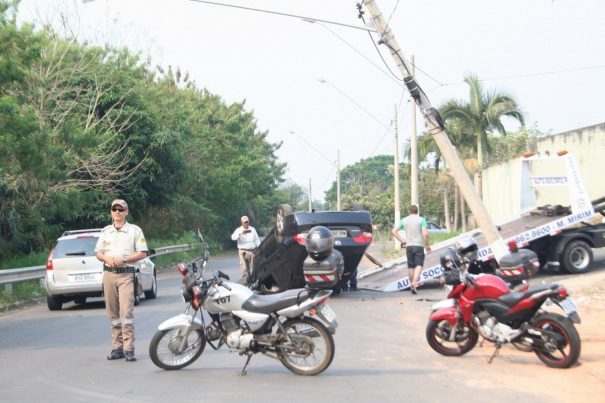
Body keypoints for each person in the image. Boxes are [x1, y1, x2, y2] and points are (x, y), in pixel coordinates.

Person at [95, 199, 148, 362]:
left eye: (121, 209)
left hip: (126, 275)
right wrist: (106, 259)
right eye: (114, 209)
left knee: (126, 313)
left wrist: (124, 260)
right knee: (113, 314)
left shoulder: (134, 231)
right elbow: (98, 252)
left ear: (126, 212)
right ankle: (117, 348)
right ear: (111, 212)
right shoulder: (105, 231)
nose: (117, 212)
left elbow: (143, 253)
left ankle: (129, 349)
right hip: (109, 275)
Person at [391, 204, 431, 294]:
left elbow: (394, 231)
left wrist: (402, 241)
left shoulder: (404, 220)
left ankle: (412, 285)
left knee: (411, 266)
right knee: (419, 265)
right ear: (417, 212)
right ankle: (414, 282)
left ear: (409, 212)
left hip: (409, 246)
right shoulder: (422, 220)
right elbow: (426, 234)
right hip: (419, 246)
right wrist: (427, 245)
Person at [231, 215, 260, 282]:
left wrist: (259, 247)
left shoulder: (252, 229)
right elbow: (233, 238)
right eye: (245, 222)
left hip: (252, 250)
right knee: (244, 267)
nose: (246, 223)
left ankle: (254, 280)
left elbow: (256, 239)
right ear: (242, 222)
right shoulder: (238, 230)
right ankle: (245, 281)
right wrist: (241, 234)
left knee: (254, 267)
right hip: (243, 251)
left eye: (247, 222)